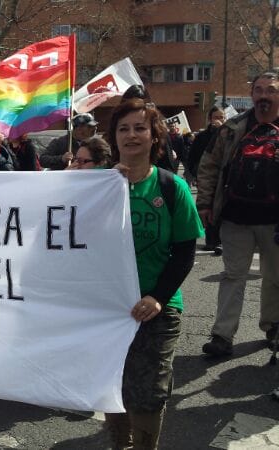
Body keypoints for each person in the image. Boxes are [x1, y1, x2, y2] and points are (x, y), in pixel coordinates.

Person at [105, 98, 204, 449]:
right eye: (123, 128)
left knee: (148, 392)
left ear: (154, 136)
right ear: (114, 136)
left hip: (157, 308)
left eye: (140, 128)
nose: (131, 135)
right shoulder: (98, 188)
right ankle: (120, 443)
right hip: (108, 307)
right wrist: (94, 186)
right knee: (112, 383)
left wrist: (157, 297)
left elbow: (185, 252)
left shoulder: (170, 188)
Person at [197, 71, 279, 357]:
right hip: (235, 218)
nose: (264, 96)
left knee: (275, 278)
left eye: (270, 90)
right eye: (258, 90)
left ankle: (273, 327)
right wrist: (205, 204)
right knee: (233, 276)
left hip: (275, 222)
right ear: (252, 94)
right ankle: (222, 336)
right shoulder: (232, 128)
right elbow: (209, 164)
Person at [189, 106, 225, 253]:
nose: (220, 120)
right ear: (210, 119)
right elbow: (193, 157)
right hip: (207, 179)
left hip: (224, 180)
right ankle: (211, 240)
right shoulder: (202, 137)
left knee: (222, 208)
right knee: (208, 208)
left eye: (222, 117)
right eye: (217, 117)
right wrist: (195, 174)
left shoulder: (229, 135)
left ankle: (221, 241)